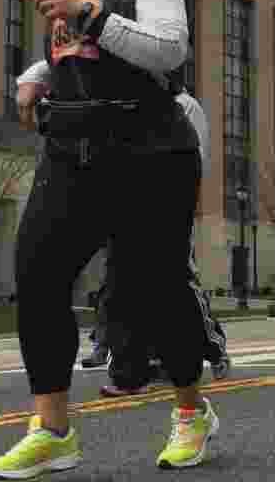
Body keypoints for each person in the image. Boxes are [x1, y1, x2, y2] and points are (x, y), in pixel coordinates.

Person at [0, 0, 219, 478]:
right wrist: (33, 75)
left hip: (147, 153)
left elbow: (166, 50)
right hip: (72, 151)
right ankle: (52, 430)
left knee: (155, 288)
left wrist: (90, 14)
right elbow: (79, 53)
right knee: (37, 274)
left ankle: (191, 411)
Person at [99, 89, 231, 397]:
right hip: (128, 202)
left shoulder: (185, 106)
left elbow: (194, 157)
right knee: (123, 285)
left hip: (168, 202)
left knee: (176, 282)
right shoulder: (123, 100)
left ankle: (214, 349)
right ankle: (130, 372)